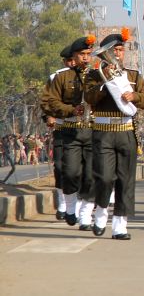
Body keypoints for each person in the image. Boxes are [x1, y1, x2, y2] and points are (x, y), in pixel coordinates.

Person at [85, 28, 144, 240]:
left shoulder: (133, 75)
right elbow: (89, 98)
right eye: (113, 50)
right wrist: (106, 84)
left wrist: (135, 96)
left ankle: (120, 226)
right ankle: (101, 211)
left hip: (125, 132)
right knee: (104, 178)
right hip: (103, 133)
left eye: (120, 50)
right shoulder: (94, 75)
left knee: (125, 180)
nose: (117, 54)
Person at [41, 36, 97, 229]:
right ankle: (70, 206)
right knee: (70, 172)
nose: (85, 58)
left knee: (91, 175)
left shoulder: (98, 75)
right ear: (74, 56)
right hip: (70, 131)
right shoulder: (61, 77)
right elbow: (49, 102)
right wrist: (71, 110)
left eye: (88, 54)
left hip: (93, 131)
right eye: (82, 54)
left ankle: (85, 213)